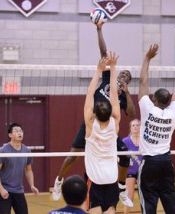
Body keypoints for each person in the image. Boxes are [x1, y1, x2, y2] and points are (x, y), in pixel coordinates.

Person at [52, 23, 136, 208]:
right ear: (117, 74)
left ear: (128, 82)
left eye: (127, 77)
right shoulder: (108, 78)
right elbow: (104, 53)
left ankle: (121, 188)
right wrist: (99, 30)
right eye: (121, 74)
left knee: (125, 157)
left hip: (108, 129)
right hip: (91, 123)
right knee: (73, 155)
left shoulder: (121, 99)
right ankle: (58, 181)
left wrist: (128, 93)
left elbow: (131, 113)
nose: (123, 77)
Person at [137, 44, 175, 214]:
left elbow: (143, 82)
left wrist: (147, 58)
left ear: (153, 98)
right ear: (169, 101)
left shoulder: (147, 109)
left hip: (150, 163)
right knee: (170, 201)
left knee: (149, 202)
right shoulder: (173, 112)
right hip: (166, 163)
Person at [84, 51, 120, 213]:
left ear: (95, 114)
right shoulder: (115, 122)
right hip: (112, 178)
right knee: (110, 210)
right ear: (110, 112)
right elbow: (113, 93)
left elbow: (90, 93)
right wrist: (113, 68)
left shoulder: (90, 126)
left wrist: (99, 70)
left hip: (96, 179)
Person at [0, 123, 39, 214]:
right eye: (16, 131)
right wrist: (1, 189)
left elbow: (28, 170)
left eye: (21, 131)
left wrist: (32, 185)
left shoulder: (26, 151)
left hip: (18, 190)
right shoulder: (3, 150)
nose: (19, 133)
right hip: (4, 189)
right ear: (10, 135)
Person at [122, 119, 142, 214]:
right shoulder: (125, 141)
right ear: (130, 128)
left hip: (142, 171)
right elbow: (120, 156)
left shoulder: (144, 141)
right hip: (130, 171)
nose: (135, 127)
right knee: (129, 196)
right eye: (133, 125)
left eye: (137, 125)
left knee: (145, 195)